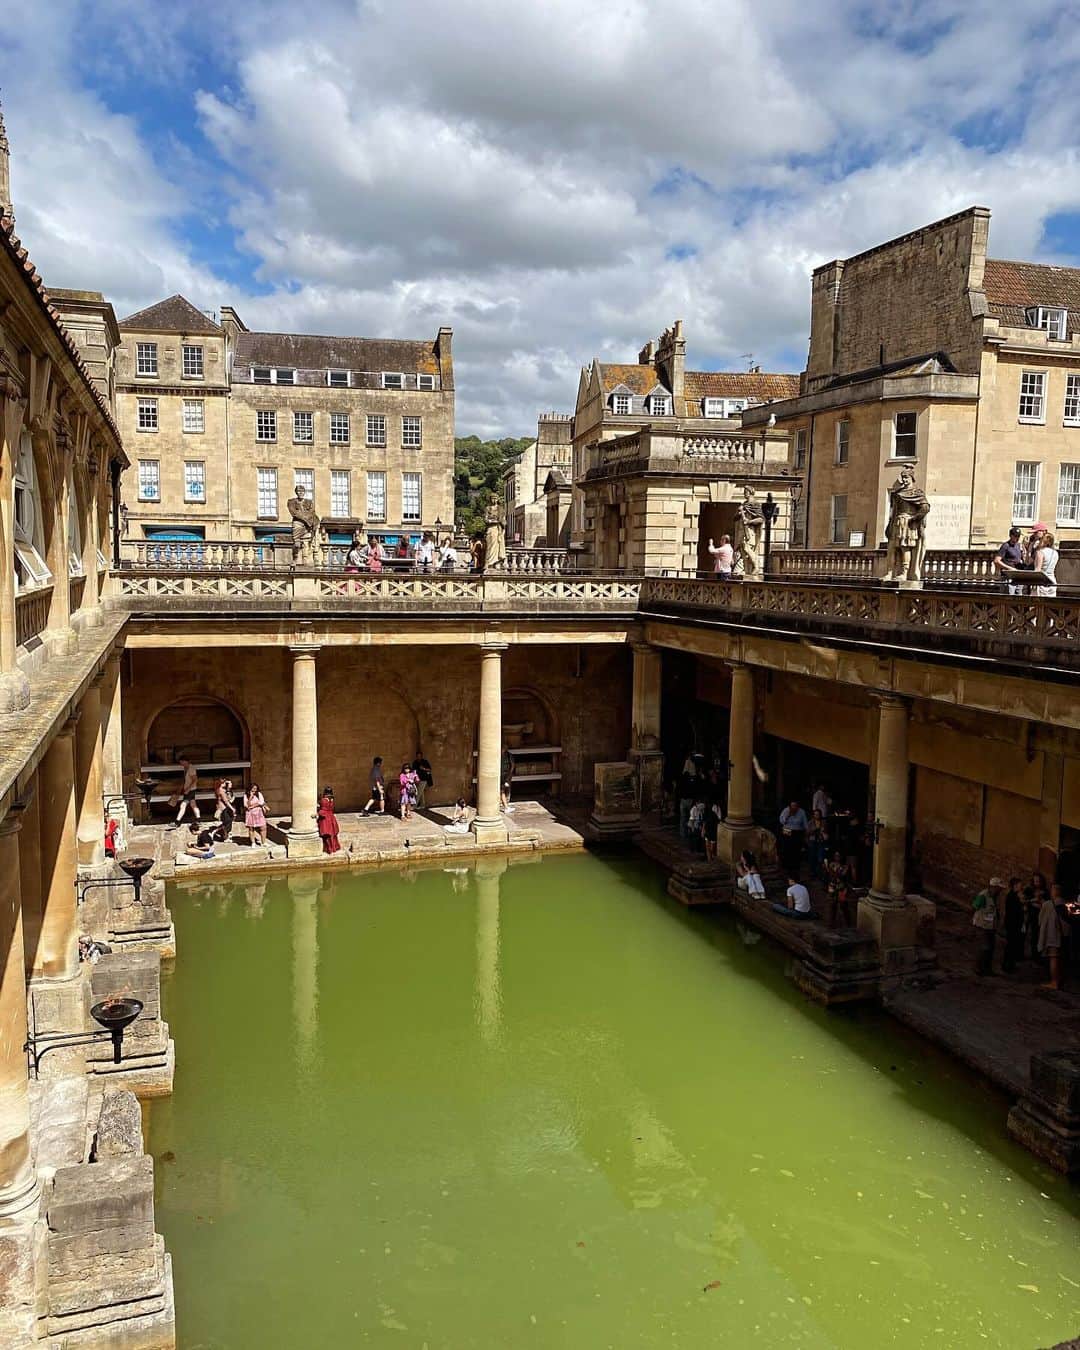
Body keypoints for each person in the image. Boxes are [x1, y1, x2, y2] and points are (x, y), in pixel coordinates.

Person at [972, 877, 1003, 976]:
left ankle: (987, 969)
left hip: (991, 926)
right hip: (982, 926)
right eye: (999, 888)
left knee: (990, 948)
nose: (1000, 890)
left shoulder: (995, 896)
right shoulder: (983, 895)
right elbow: (974, 906)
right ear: (993, 887)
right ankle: (978, 968)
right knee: (984, 947)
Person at [1038, 886, 1065, 989]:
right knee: (1059, 958)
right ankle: (1059, 979)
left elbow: (1040, 920)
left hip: (1052, 935)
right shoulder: (1064, 903)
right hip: (1063, 935)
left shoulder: (1048, 904)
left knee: (1053, 958)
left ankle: (1054, 982)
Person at [168, 756, 201, 830]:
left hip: (190, 790)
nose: (181, 764)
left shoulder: (191, 769)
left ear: (186, 761)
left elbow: (195, 780)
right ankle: (198, 820)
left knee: (183, 805)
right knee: (193, 805)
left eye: (182, 762)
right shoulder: (186, 768)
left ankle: (177, 822)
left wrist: (188, 789)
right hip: (190, 790)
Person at [1002, 876, 1025, 973]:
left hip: (1014, 924)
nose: (1022, 886)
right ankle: (1007, 966)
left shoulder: (1014, 895)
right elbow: (1014, 912)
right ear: (1015, 885)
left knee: (1012, 945)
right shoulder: (1012, 896)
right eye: (1020, 884)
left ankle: (1010, 964)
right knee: (1010, 946)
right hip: (1012, 925)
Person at [993, 527, 1027, 594]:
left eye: (1018, 536)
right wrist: (1010, 568)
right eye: (1015, 536)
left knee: (1019, 597)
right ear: (1011, 536)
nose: (1017, 538)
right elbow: (996, 561)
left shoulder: (1019, 546)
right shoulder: (1005, 546)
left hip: (1018, 577)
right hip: (1008, 576)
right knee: (1009, 597)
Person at [778, 799, 808, 875]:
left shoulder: (801, 812)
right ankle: (786, 867)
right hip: (787, 831)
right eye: (792, 806)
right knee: (787, 849)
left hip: (797, 832)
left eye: (795, 806)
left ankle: (795, 867)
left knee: (796, 849)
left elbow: (805, 824)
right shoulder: (786, 810)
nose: (794, 807)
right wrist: (788, 815)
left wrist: (806, 832)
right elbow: (781, 821)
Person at [1023, 872, 1049, 959]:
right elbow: (1024, 901)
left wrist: (1041, 902)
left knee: (1037, 935)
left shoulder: (1045, 891)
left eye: (1038, 881)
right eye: (1035, 881)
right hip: (1029, 915)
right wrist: (1032, 901)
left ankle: (1036, 955)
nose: (1037, 883)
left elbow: (1047, 903)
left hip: (1040, 916)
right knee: (1024, 933)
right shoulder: (1029, 890)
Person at [826, 851, 855, 927]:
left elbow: (844, 877)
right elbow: (831, 876)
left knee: (843, 905)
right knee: (832, 905)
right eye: (836, 855)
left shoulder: (845, 867)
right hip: (833, 887)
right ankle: (832, 923)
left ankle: (848, 923)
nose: (837, 857)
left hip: (842, 888)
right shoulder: (832, 864)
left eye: (838, 856)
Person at [1034, 530, 1059, 598]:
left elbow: (1037, 570)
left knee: (1038, 603)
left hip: (1042, 582)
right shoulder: (1055, 553)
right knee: (1050, 603)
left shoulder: (1040, 552)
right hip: (1052, 581)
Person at [806, 809, 830, 879]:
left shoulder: (823, 822)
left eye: (818, 814)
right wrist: (814, 830)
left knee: (820, 858)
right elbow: (807, 833)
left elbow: (827, 832)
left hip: (821, 841)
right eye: (815, 814)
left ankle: (820, 873)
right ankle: (812, 872)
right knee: (812, 858)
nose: (817, 815)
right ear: (813, 815)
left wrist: (824, 833)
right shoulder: (810, 822)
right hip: (812, 841)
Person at [243, 783, 268, 847]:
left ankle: (263, 842)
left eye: (256, 788)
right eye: (253, 788)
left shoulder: (259, 794)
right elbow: (246, 805)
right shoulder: (246, 795)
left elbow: (261, 802)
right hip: (250, 813)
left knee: (263, 827)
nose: (254, 790)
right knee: (251, 828)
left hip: (259, 812)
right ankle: (253, 842)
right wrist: (250, 798)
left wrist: (253, 806)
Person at [318, 787, 341, 854]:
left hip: (325, 818)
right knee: (332, 834)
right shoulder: (332, 799)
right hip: (331, 817)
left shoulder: (323, 800)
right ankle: (334, 848)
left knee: (327, 835)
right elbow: (331, 808)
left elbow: (322, 810)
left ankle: (329, 849)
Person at [500, 746, 514, 813]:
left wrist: (509, 774)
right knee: (502, 791)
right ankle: (506, 807)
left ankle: (506, 805)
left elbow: (512, 765)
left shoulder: (508, 755)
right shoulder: (497, 754)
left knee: (504, 790)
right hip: (500, 775)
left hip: (506, 775)